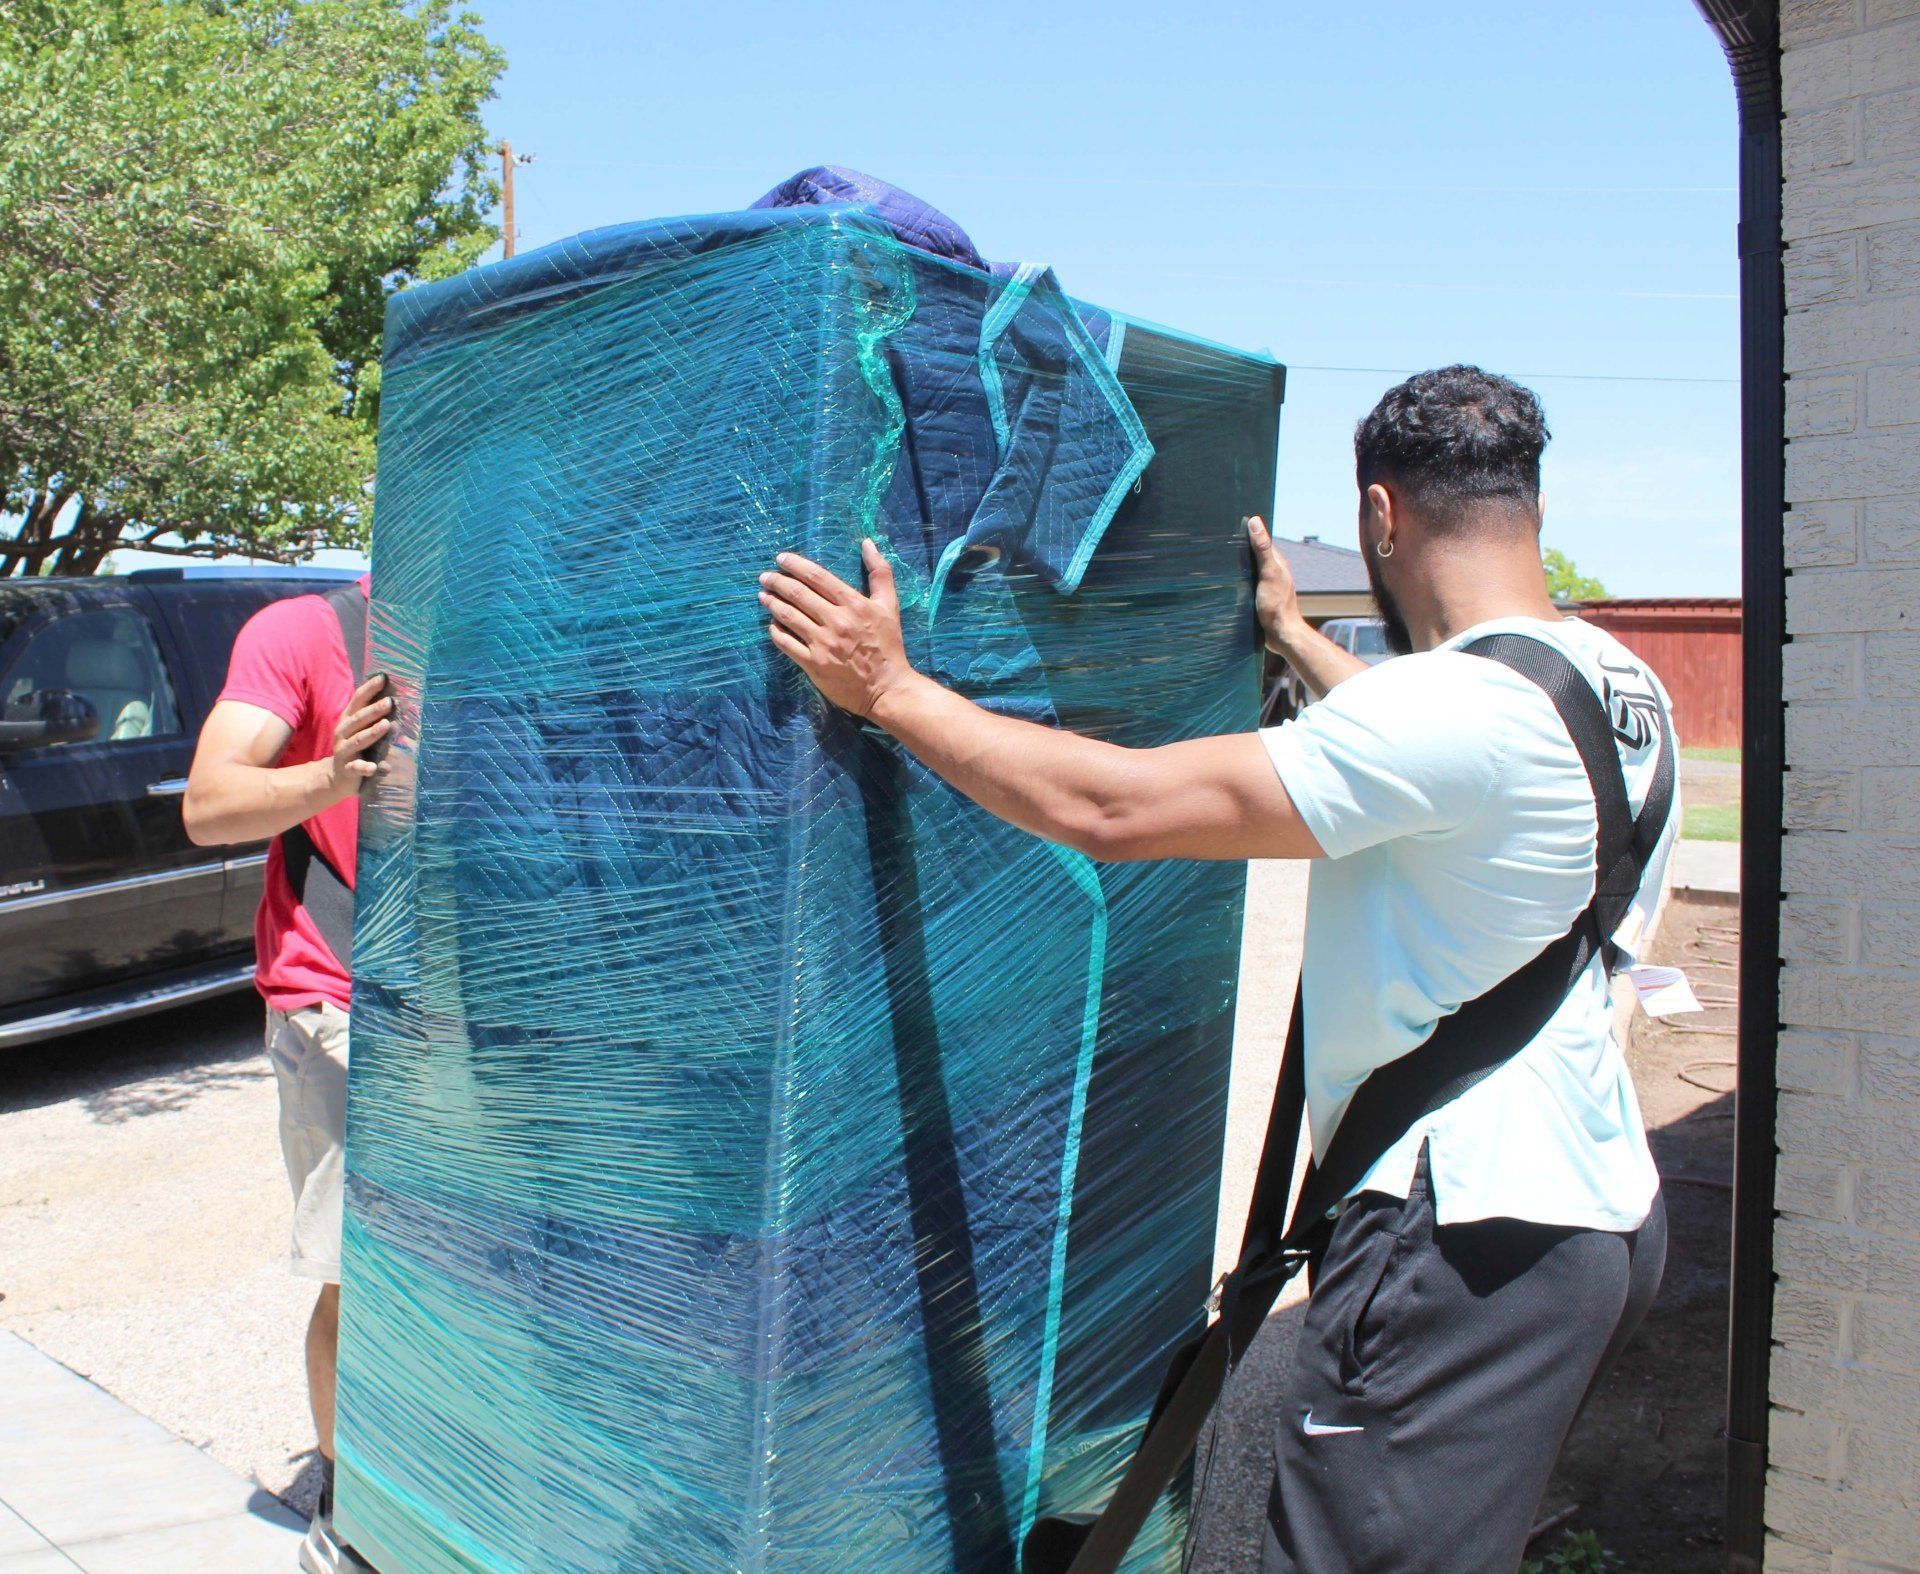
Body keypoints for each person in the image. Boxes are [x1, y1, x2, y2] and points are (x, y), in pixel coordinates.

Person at [757, 365, 1675, 1572]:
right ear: (1534, 508)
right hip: (1589, 1211)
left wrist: (891, 689)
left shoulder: (1450, 710)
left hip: (1462, 1236)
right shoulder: (1612, 682)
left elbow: (1114, 808)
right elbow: (1444, 753)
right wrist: (1294, 636)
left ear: (1381, 515)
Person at [183, 574, 392, 1574]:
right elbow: (209, 803)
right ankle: (346, 1512)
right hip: (339, 996)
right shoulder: (308, 633)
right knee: (360, 1267)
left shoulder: (510, 632)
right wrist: (332, 776)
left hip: (466, 1004)